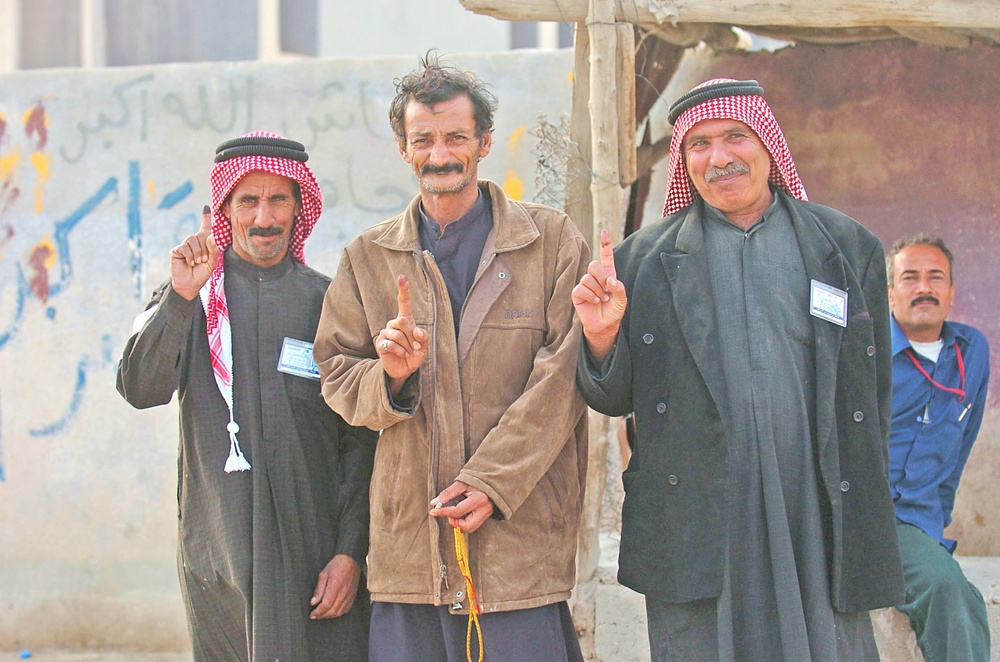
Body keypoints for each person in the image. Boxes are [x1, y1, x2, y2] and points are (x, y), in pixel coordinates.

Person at [573, 78, 905, 660]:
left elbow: (871, 397)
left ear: (768, 144)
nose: (719, 157)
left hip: (816, 503)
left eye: (735, 136)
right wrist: (601, 340)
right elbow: (612, 398)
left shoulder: (848, 247)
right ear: (683, 161)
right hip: (699, 512)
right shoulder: (640, 263)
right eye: (698, 144)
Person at [313, 53, 589, 662]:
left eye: (456, 137)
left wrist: (493, 480)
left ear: (484, 142)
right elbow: (333, 373)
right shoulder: (367, 258)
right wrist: (389, 377)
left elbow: (565, 374)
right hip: (408, 547)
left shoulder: (549, 242)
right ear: (404, 148)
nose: (440, 153)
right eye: (424, 140)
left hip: (517, 545)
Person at [117, 131, 375, 661]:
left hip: (317, 561)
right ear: (224, 210)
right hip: (223, 562)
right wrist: (181, 300)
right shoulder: (189, 298)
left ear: (299, 207)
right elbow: (140, 388)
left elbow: (364, 443)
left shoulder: (329, 303)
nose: (264, 217)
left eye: (278, 199)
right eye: (248, 200)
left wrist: (352, 552)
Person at [886, 233, 991, 661]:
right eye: (909, 277)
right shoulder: (864, 352)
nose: (924, 287)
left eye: (935, 277)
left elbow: (957, 457)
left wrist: (932, 529)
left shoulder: (972, 352)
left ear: (951, 292)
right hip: (866, 522)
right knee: (949, 591)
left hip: (920, 526)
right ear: (890, 292)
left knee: (954, 590)